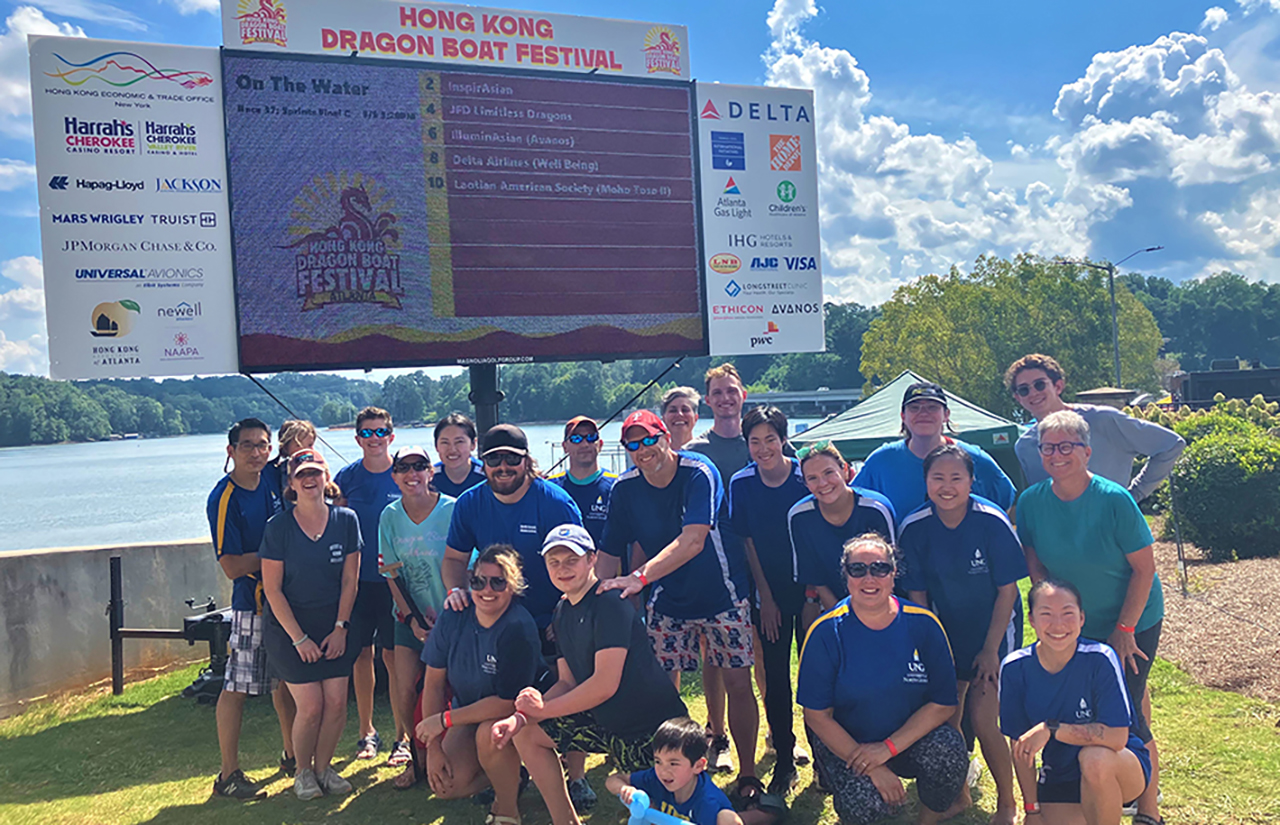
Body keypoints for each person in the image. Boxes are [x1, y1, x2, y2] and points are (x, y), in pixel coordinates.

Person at [597, 410, 762, 805]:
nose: (643, 450)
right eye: (632, 445)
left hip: (722, 595)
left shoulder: (698, 472)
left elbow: (693, 541)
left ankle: (748, 774)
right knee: (661, 693)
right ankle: (668, 777)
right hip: (667, 602)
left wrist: (638, 578)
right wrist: (592, 601)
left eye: (648, 439)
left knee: (738, 683)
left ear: (665, 437)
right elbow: (606, 553)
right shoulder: (625, 489)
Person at [1015, 410, 1165, 825]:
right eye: (1049, 447)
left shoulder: (1114, 499)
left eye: (1067, 446)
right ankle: (1096, 790)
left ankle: (1148, 808)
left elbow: (1144, 569)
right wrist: (1053, 617)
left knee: (1127, 711)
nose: (1057, 454)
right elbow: (1035, 564)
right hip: (1071, 624)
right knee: (1088, 710)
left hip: (1130, 619)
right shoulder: (1031, 502)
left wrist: (1124, 630)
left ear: (1087, 452)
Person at [491, 524, 689, 825]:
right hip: (608, 724)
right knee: (528, 733)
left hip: (654, 732)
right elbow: (566, 682)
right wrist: (519, 718)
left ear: (592, 559)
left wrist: (543, 709)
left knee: (666, 816)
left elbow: (603, 685)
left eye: (571, 559)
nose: (562, 568)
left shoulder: (609, 601)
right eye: (554, 562)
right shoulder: (561, 611)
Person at [440, 424, 593, 807]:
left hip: (552, 618)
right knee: (503, 699)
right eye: (494, 459)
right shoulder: (470, 503)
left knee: (568, 694)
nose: (503, 466)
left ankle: (576, 778)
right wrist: (458, 592)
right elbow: (454, 560)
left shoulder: (556, 503)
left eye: (512, 458)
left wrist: (570, 615)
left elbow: (579, 564)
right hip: (497, 623)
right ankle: (508, 774)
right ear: (483, 463)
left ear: (527, 461)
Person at [797, 533, 967, 825]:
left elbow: (943, 703)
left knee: (948, 752)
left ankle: (928, 819)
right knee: (864, 808)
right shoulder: (825, 632)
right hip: (848, 744)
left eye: (879, 568)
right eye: (858, 569)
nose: (869, 578)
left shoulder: (923, 624)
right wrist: (871, 765)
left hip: (905, 740)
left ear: (893, 573)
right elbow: (816, 716)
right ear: (846, 576)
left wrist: (887, 749)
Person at [899, 444, 1026, 825]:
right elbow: (917, 597)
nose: (947, 486)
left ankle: (1008, 802)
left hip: (994, 630)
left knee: (985, 719)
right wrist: (927, 648)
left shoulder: (991, 521)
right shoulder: (915, 526)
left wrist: (990, 650)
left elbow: (1008, 591)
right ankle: (958, 795)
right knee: (947, 717)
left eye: (957, 477)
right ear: (926, 482)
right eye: (938, 477)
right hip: (944, 631)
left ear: (972, 481)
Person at [414, 544, 552, 824]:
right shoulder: (453, 615)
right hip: (467, 711)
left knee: (489, 735)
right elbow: (433, 682)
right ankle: (515, 776)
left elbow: (506, 702)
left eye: (498, 582)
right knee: (445, 787)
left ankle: (507, 810)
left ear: (512, 586)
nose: (487, 590)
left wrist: (443, 720)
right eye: (478, 581)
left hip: (517, 715)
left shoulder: (518, 627)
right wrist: (435, 747)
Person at [1000, 579, 1152, 825]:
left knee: (1094, 760)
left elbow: (1116, 738)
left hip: (1118, 764)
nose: (1058, 624)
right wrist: (1032, 810)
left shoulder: (1100, 658)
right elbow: (1021, 747)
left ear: (1082, 618)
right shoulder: (1014, 668)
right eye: (1046, 614)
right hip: (1060, 774)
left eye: (1067, 614)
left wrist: (1051, 729)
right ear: (1032, 620)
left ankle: (1113, 805)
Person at [259, 450, 362, 800]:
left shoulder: (347, 520)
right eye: (301, 474)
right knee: (312, 705)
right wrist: (299, 639)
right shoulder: (278, 527)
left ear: (326, 477)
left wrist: (341, 627)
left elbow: (350, 581)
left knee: (335, 702)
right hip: (289, 628)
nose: (309, 479)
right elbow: (272, 590)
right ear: (291, 483)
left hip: (333, 624)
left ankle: (323, 768)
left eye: (315, 473)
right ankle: (302, 771)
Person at [728, 405, 812, 795]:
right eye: (754, 442)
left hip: (812, 592)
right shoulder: (742, 484)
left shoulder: (804, 476)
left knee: (817, 676)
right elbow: (747, 542)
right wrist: (765, 596)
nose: (763, 449)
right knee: (777, 680)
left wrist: (814, 590)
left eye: (770, 440)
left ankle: (827, 758)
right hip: (770, 594)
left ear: (783, 440)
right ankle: (784, 757)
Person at [206, 417, 286, 799]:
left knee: (285, 680)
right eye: (247, 445)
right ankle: (228, 774)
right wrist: (276, 555)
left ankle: (292, 755)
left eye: (262, 445)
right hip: (251, 605)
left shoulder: (272, 478)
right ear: (231, 451)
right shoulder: (224, 498)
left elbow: (301, 443)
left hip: (285, 599)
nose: (256, 452)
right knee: (237, 687)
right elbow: (232, 565)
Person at [686, 364, 753, 775]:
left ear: (742, 395)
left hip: (758, 562)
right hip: (712, 569)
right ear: (707, 400)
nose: (725, 398)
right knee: (714, 655)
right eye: (717, 392)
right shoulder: (695, 450)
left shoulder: (763, 441)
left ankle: (777, 736)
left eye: (731, 390)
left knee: (759, 655)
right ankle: (717, 734)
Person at [378, 445, 457, 789]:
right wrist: (411, 620)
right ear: (394, 475)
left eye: (420, 466)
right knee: (406, 689)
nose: (412, 474)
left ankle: (450, 753)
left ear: (431, 472)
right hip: (409, 621)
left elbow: (465, 564)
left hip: (452, 618)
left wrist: (450, 616)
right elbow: (391, 574)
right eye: (404, 468)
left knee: (451, 691)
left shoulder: (453, 509)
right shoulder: (389, 516)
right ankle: (417, 757)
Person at [1005, 353, 1185, 503]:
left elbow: (1171, 444)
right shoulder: (1025, 447)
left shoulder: (1103, 420)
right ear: (1017, 397)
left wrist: (1134, 495)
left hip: (1113, 534)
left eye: (1039, 384)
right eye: (1023, 390)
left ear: (1058, 386)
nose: (1033, 393)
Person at [333, 406, 406, 763]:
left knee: (395, 659)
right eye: (367, 432)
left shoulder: (405, 473)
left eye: (381, 432)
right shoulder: (347, 478)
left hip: (395, 582)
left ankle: (403, 737)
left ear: (391, 436)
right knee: (362, 655)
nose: (374, 439)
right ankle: (367, 733)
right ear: (358, 437)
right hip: (358, 583)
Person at [853, 381, 1016, 522]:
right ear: (903, 416)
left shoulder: (974, 458)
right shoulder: (881, 461)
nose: (923, 413)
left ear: (946, 415)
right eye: (915, 408)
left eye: (932, 407)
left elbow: (1005, 503)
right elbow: (852, 504)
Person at [789, 441, 896, 611]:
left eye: (828, 473)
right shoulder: (800, 517)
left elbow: (889, 571)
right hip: (832, 606)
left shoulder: (876, 508)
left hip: (880, 602)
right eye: (812, 478)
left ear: (845, 470)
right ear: (805, 483)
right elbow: (815, 576)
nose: (823, 483)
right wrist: (841, 616)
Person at [606, 716, 743, 825]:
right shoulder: (655, 778)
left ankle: (760, 815)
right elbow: (612, 780)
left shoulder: (707, 803)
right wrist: (626, 789)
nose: (664, 771)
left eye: (673, 763)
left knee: (728, 819)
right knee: (648, 807)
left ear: (698, 766)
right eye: (658, 761)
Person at [547, 415, 617, 548]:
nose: (585, 444)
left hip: (606, 566)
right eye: (576, 439)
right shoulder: (551, 488)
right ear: (565, 447)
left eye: (591, 438)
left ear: (600, 444)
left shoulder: (617, 486)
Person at [433, 413, 487, 499]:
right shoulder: (429, 478)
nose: (452, 450)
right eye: (445, 442)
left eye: (459, 442)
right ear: (436, 446)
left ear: (473, 444)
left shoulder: (486, 475)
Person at [263, 419, 318, 502]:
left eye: (310, 445)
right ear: (285, 446)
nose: (306, 450)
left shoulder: (317, 469)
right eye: (299, 445)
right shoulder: (268, 471)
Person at [661, 386, 703, 451]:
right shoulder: (658, 456)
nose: (679, 414)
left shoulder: (706, 452)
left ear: (696, 418)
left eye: (685, 410)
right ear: (664, 418)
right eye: (673, 410)